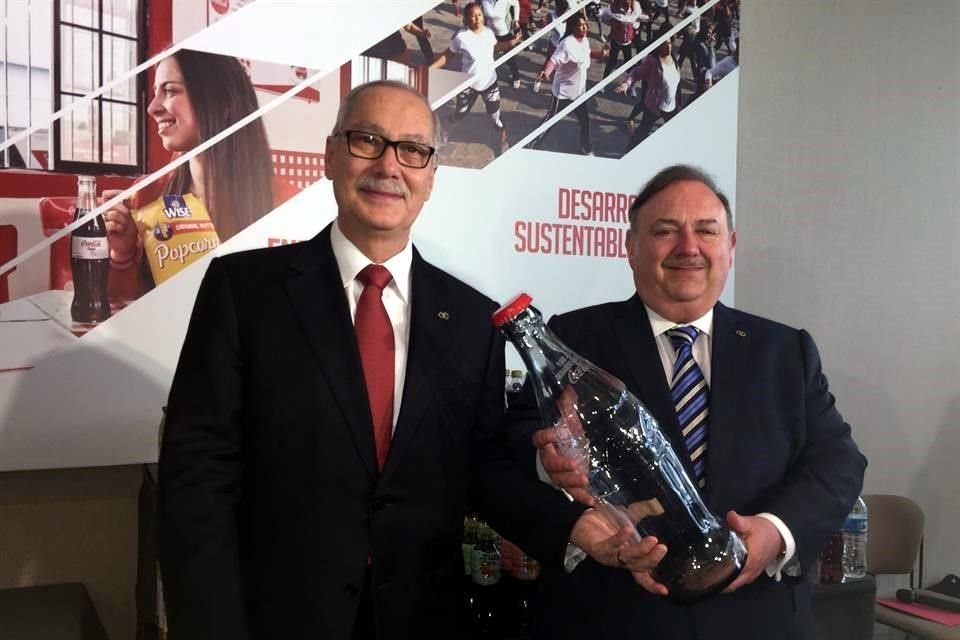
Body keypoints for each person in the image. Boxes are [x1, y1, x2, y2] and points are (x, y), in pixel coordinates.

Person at [157, 79, 653, 640]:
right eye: (368, 139)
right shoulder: (244, 292)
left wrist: (574, 526)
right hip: (276, 617)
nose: (389, 165)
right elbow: (196, 483)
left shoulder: (472, 319)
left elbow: (483, 470)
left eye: (413, 150)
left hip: (422, 618)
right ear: (330, 156)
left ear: (431, 177)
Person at [509, 164, 867, 640]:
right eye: (665, 231)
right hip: (610, 618)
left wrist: (775, 531)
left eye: (706, 231)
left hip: (757, 620)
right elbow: (510, 449)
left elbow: (837, 462)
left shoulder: (785, 351)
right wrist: (548, 463)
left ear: (730, 247)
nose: (688, 248)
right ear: (631, 247)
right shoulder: (571, 339)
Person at [102, 50, 299, 299]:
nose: (152, 108)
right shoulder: (146, 196)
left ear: (219, 98)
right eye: (155, 93)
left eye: (170, 91)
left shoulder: (288, 203)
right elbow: (120, 306)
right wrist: (122, 254)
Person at [430, 2, 520, 155]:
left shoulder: (489, 32)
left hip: (490, 84)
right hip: (468, 85)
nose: (477, 18)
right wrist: (430, 69)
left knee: (495, 117)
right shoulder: (461, 37)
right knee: (460, 113)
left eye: (479, 15)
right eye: (472, 16)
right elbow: (447, 55)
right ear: (465, 19)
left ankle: (503, 140)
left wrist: (510, 43)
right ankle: (443, 133)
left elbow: (495, 47)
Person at [530, 13, 608, 155]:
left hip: (579, 93)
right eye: (580, 25)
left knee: (585, 121)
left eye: (585, 24)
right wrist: (546, 73)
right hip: (563, 93)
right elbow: (554, 60)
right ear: (572, 27)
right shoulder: (566, 44)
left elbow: (587, 53)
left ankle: (585, 147)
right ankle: (533, 145)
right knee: (550, 122)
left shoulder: (584, 40)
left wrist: (600, 54)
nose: (584, 28)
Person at [615, 29, 682, 152]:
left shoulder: (674, 58)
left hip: (672, 107)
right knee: (641, 133)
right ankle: (628, 152)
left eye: (669, 42)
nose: (668, 46)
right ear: (658, 45)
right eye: (664, 43)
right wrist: (626, 84)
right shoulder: (652, 62)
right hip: (655, 107)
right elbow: (636, 73)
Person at [480, 0, 523, 88]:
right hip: (490, 34)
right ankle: (487, 77)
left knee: (510, 59)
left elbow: (516, 4)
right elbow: (474, 6)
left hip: (505, 33)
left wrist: (516, 20)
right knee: (487, 57)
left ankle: (516, 78)